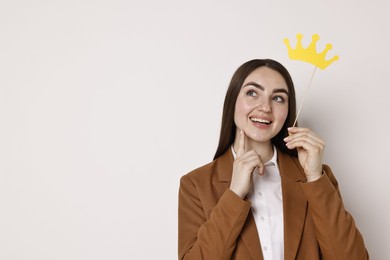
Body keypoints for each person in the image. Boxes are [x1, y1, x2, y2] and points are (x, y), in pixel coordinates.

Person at [178, 59, 369, 260]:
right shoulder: (196, 184)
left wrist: (314, 177)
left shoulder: (317, 177)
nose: (265, 107)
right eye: (252, 93)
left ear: (287, 111)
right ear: (232, 100)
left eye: (278, 98)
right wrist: (234, 194)